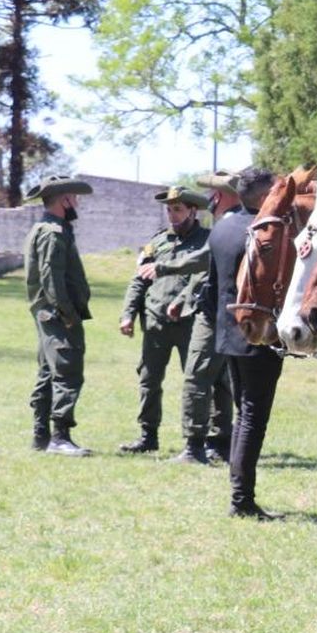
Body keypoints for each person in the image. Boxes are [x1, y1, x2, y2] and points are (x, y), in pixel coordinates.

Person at [203, 167, 286, 519]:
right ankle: (242, 500)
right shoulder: (261, 231)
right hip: (256, 333)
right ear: (263, 196)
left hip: (226, 333)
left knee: (243, 414)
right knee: (252, 416)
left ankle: (240, 494)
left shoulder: (221, 227)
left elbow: (210, 286)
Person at [151, 171, 238, 465]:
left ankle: (194, 447)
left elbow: (204, 258)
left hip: (216, 313)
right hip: (232, 312)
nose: (209, 199)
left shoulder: (228, 226)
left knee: (197, 378)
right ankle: (222, 443)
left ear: (224, 196)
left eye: (213, 193)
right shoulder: (245, 221)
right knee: (223, 380)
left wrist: (165, 267)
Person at [118, 186, 213, 455]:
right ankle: (148, 436)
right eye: (169, 210)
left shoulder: (206, 241)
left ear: (193, 211)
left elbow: (201, 277)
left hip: (190, 322)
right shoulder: (157, 242)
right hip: (155, 322)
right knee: (149, 379)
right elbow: (139, 280)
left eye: (178, 209)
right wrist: (128, 314)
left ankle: (201, 439)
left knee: (198, 381)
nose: (172, 215)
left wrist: (182, 300)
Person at [23, 175, 94, 457]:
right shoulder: (53, 232)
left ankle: (41, 435)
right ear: (64, 200)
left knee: (47, 372)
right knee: (67, 371)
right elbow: (51, 278)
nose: (77, 203)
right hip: (57, 314)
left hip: (46, 313)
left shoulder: (45, 227)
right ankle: (59, 437)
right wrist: (67, 313)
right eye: (74, 198)